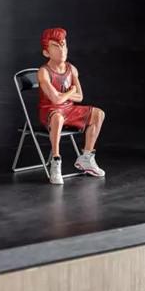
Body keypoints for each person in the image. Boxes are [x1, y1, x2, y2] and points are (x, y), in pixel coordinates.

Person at [37, 27, 106, 185]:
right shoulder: (44, 72)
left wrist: (64, 95)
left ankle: (86, 158)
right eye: (56, 46)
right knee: (58, 118)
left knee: (98, 114)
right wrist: (70, 91)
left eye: (63, 45)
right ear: (46, 52)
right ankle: (56, 161)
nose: (61, 50)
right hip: (49, 111)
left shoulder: (71, 69)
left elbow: (80, 97)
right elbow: (55, 100)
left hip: (69, 109)